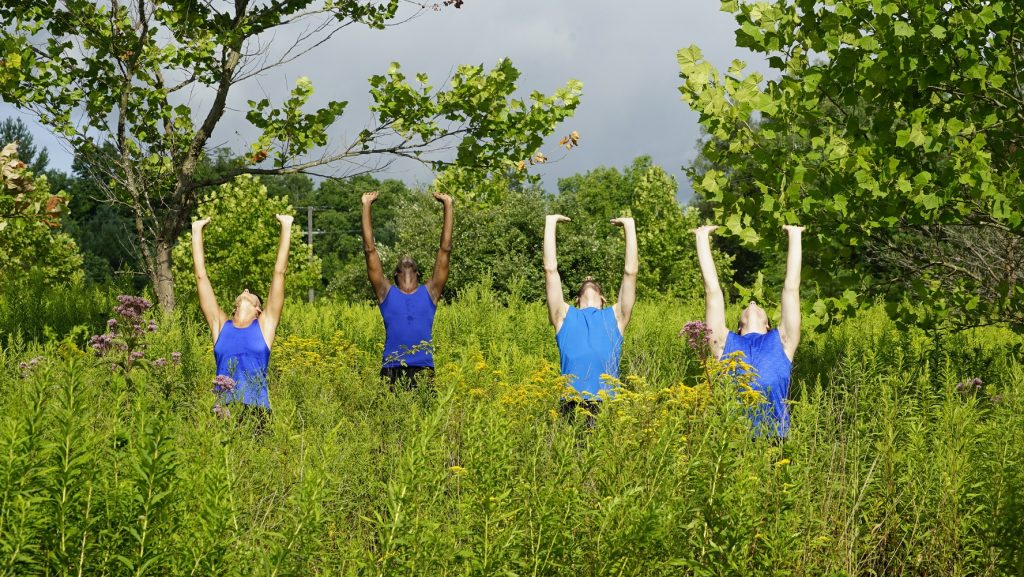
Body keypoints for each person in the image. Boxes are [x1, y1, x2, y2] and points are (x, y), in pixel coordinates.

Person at [694, 224, 804, 437]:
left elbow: (791, 289)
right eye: (748, 305)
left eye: (757, 304)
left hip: (775, 439)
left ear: (768, 326)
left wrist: (795, 235)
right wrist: (702, 237)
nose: (752, 302)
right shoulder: (725, 344)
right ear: (738, 326)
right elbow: (712, 291)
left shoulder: (783, 341)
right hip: (734, 440)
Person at [191, 213, 294, 430]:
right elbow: (201, 276)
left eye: (251, 293)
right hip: (223, 411)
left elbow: (279, 272)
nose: (246, 290)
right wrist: (196, 231)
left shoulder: (265, 326)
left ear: (259, 308)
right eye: (243, 291)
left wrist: (286, 227)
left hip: (257, 412)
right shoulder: (220, 325)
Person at [544, 214, 638, 420]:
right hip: (571, 403)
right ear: (576, 299)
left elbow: (630, 272)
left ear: (604, 298)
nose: (589, 280)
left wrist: (629, 227)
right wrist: (550, 223)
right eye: (584, 283)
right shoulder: (564, 316)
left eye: (594, 282)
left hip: (607, 403)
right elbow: (550, 270)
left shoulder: (616, 316)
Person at [361, 189, 453, 389]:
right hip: (391, 368)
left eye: (410, 261)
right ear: (395, 274)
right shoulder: (385, 291)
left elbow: (445, 249)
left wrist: (448, 205)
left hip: (423, 368)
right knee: (389, 420)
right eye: (402, 261)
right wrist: (366, 205)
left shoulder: (430, 291)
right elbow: (369, 250)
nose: (406, 257)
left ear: (418, 273)